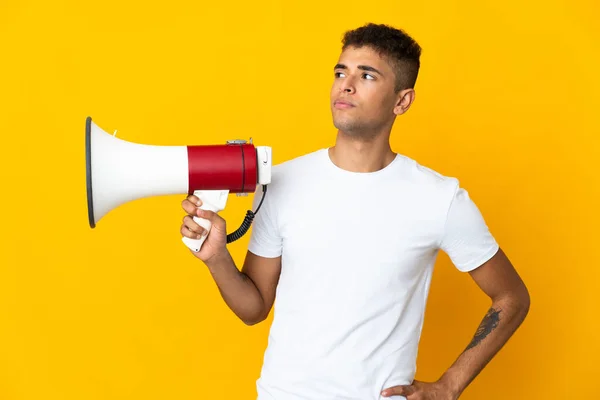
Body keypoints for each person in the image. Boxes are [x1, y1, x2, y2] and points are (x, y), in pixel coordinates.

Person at [180, 23, 530, 400]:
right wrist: (217, 257)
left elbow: (512, 297)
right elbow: (254, 308)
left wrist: (450, 385)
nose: (345, 85)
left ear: (402, 101)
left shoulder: (439, 199)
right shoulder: (280, 183)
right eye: (340, 72)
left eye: (367, 75)